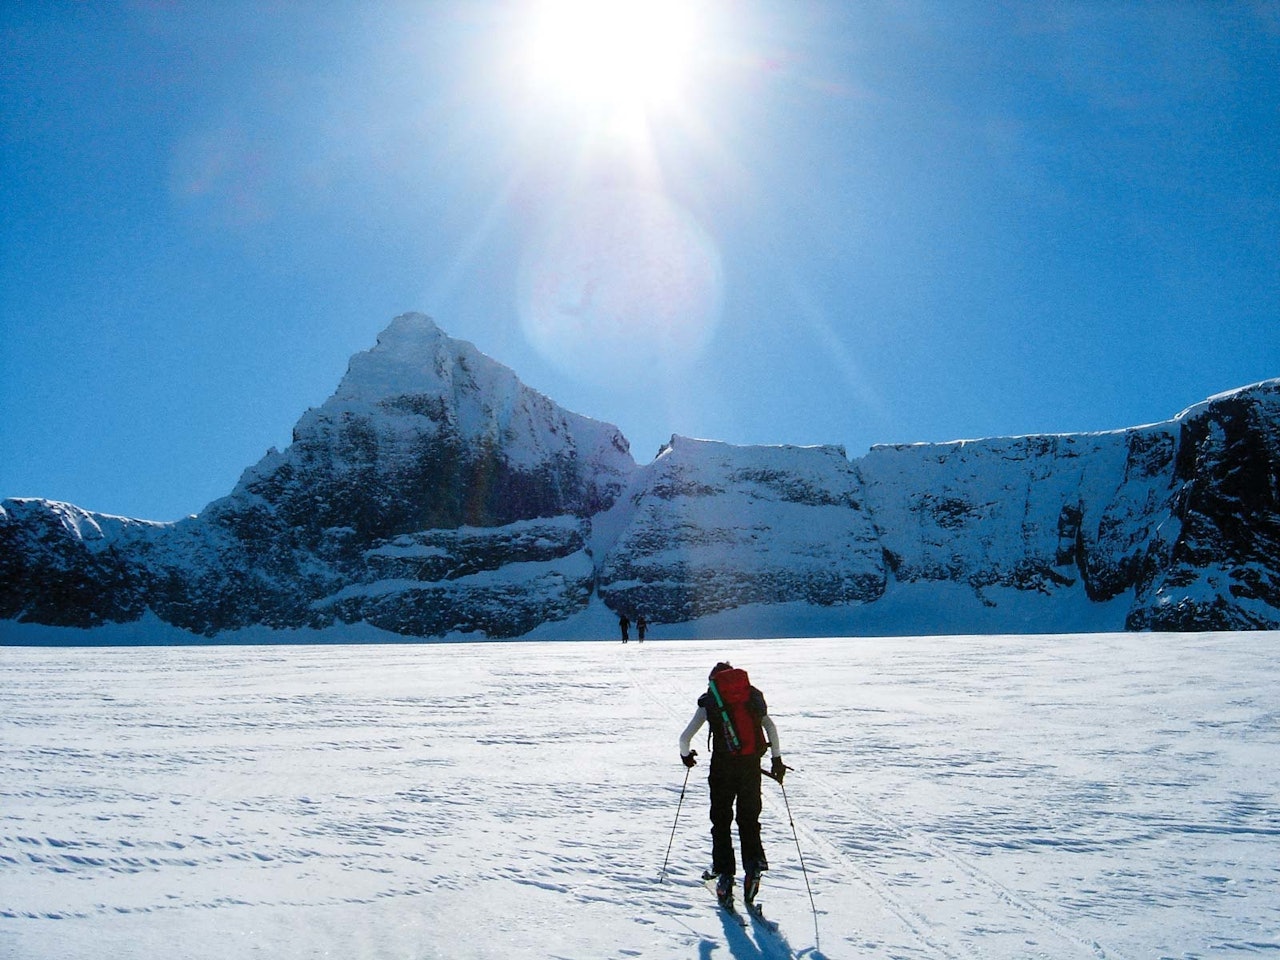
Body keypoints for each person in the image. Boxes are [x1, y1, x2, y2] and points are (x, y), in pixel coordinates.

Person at [678, 661, 786, 909]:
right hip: (750, 767)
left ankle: (725, 874)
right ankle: (754, 865)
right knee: (749, 820)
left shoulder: (711, 701)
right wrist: (776, 759)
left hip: (722, 768)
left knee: (721, 819)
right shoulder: (750, 696)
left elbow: (685, 738)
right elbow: (770, 727)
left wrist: (686, 756)